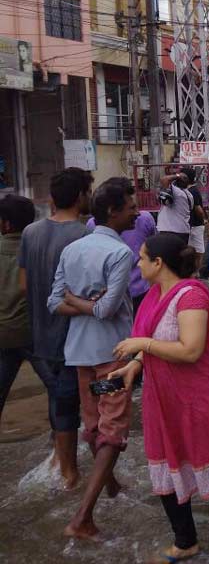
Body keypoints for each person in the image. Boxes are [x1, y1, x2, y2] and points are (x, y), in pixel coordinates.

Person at [108, 235, 209, 562]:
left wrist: (142, 345)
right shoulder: (154, 295)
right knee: (167, 464)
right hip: (164, 398)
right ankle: (185, 540)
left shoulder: (191, 296)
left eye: (142, 258)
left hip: (199, 396)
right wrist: (134, 367)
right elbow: (157, 344)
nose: (138, 264)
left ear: (158, 263)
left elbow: (190, 350)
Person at [48, 178, 139, 539]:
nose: (136, 212)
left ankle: (112, 485)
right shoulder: (120, 254)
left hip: (80, 354)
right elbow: (105, 310)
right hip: (112, 355)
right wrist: (92, 304)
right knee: (113, 433)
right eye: (131, 207)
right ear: (113, 212)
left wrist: (77, 302)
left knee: (94, 426)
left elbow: (56, 302)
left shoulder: (73, 249)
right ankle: (83, 517)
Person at [18, 167, 92, 489]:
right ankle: (72, 472)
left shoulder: (30, 232)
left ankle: (63, 466)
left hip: (40, 334)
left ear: (52, 198)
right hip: (74, 336)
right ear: (80, 197)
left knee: (61, 400)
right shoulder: (85, 235)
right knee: (80, 403)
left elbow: (23, 285)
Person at [0, 195, 36, 424]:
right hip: (33, 333)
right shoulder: (36, 249)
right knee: (58, 389)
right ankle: (60, 445)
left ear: (6, 223)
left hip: (3, 335)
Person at [86, 210, 157, 314]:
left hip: (114, 291)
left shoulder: (92, 224)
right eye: (131, 207)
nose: (136, 213)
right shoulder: (144, 218)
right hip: (131, 290)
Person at [156, 170, 194, 242]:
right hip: (183, 232)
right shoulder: (189, 195)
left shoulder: (176, 192)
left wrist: (177, 176)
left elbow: (164, 179)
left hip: (170, 231)